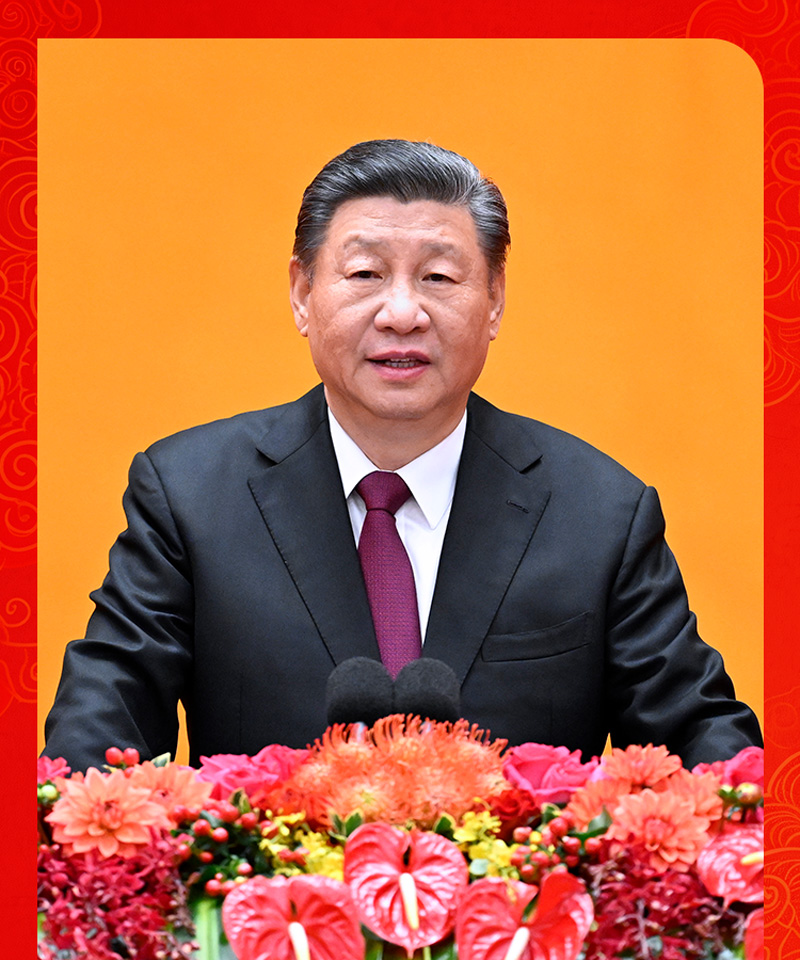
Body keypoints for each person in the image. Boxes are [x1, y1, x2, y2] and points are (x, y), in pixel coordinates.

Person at [43, 139, 761, 772]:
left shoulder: (599, 513)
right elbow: (95, 741)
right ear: (302, 293)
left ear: (495, 300)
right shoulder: (190, 495)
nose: (402, 314)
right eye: (365, 274)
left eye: (439, 278)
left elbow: (707, 749)